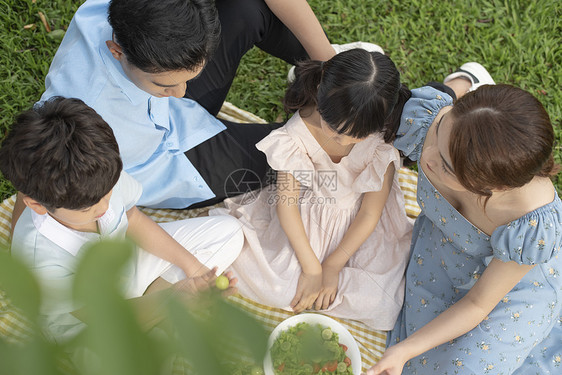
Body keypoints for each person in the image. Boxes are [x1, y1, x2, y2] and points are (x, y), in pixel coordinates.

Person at [24, 0, 336, 213]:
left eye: (190, 78)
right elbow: (39, 185)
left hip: (161, 99)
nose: (181, 93)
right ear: (116, 51)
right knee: (318, 145)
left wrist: (332, 67)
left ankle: (336, 79)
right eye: (165, 85)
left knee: (246, 8)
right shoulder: (84, 113)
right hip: (169, 162)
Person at [365, 68, 562, 374]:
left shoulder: (530, 224)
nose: (426, 156)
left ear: (493, 187)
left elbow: (479, 305)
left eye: (445, 166)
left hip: (508, 290)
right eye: (441, 126)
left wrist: (405, 349)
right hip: (441, 257)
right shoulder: (432, 118)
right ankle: (467, 78)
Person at [0, 97, 243, 341]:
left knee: (230, 232)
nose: (105, 207)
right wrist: (174, 298)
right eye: (87, 208)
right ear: (37, 205)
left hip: (126, 268)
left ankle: (158, 310)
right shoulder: (42, 261)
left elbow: (133, 219)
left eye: (107, 195)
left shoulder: (98, 175)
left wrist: (196, 271)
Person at [210, 49, 413, 329]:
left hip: (359, 228)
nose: (342, 142)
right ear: (320, 94)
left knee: (384, 304)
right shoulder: (297, 135)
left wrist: (332, 266)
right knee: (278, 287)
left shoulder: (381, 140)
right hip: (305, 219)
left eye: (356, 136)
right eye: (335, 129)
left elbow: (369, 213)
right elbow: (287, 204)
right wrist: (312, 267)